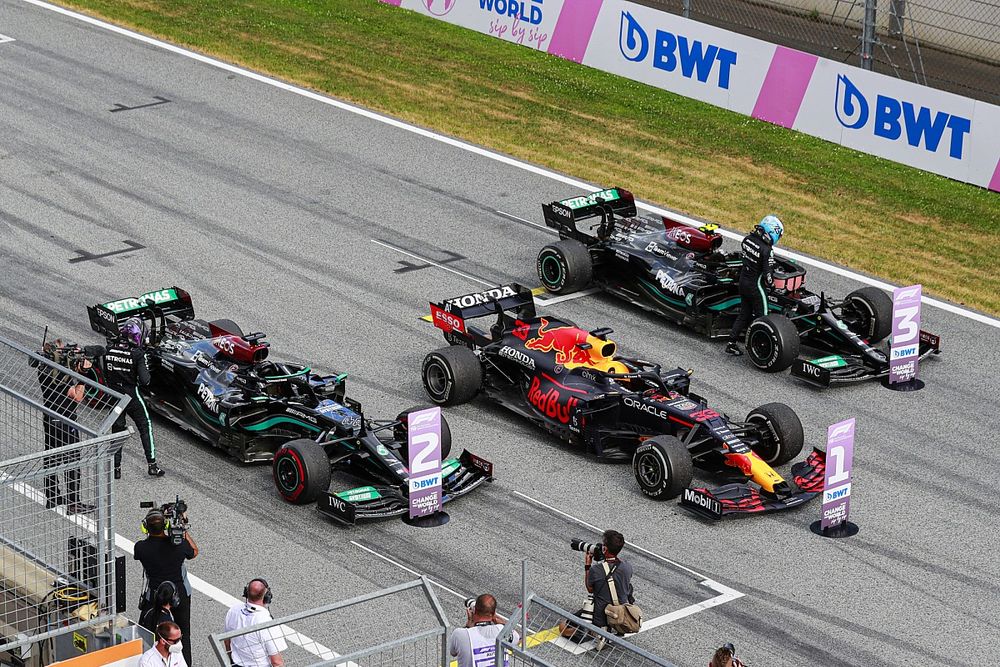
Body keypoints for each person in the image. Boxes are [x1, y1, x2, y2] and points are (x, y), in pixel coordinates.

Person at [35, 340, 93, 514]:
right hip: (66, 419)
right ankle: (74, 503)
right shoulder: (60, 374)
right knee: (72, 460)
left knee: (51, 457)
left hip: (49, 417)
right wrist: (83, 375)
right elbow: (77, 397)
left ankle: (52, 497)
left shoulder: (43, 368)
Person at [135, 508, 197, 666]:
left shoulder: (140, 548)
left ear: (145, 528)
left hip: (155, 594)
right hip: (179, 593)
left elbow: (145, 549)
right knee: (183, 632)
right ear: (166, 525)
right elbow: (194, 552)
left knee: (150, 631)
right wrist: (181, 531)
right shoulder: (179, 545)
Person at [103, 317, 163, 477]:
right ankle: (152, 465)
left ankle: (115, 469)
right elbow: (146, 380)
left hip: (114, 395)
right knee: (145, 426)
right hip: (131, 397)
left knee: (117, 431)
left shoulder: (108, 349)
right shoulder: (138, 354)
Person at [726, 215, 783, 356]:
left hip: (743, 282)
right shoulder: (767, 250)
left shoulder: (747, 240)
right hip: (756, 287)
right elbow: (768, 276)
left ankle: (731, 343)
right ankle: (760, 348)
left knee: (744, 313)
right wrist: (774, 288)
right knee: (764, 318)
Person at [223, 579, 286, 667]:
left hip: (236, 664)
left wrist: (231, 661)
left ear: (246, 592)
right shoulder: (266, 622)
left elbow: (227, 641)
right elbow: (277, 662)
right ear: (267, 596)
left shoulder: (233, 610)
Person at [584, 530, 634, 635]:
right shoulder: (627, 567)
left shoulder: (596, 569)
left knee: (563, 627)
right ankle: (616, 623)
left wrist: (588, 565)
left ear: (605, 549)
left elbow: (590, 589)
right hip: (620, 611)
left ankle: (600, 629)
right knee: (629, 587)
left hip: (600, 615)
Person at [448, 594, 517, 667]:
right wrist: (495, 618)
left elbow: (453, 652)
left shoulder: (460, 634)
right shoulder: (502, 631)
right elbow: (516, 637)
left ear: (474, 611)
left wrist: (468, 625)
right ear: (493, 613)